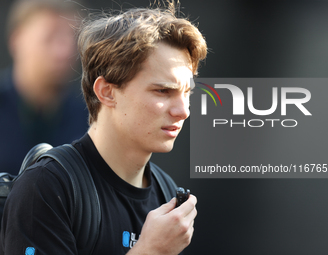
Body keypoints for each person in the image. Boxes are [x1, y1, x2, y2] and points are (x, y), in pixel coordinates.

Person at [0, 2, 207, 254]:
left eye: (187, 93)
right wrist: (150, 250)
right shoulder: (47, 187)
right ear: (106, 92)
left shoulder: (167, 195)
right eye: (163, 90)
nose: (183, 110)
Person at [0, 0, 88, 175]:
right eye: (51, 37)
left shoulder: (91, 120)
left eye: (73, 38)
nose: (65, 51)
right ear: (16, 39)